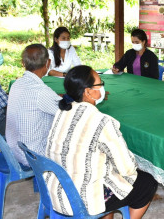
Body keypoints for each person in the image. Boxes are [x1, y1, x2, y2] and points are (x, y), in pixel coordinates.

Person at [45, 65, 158, 218]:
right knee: (147, 183)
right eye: (100, 84)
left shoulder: (62, 111)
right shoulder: (101, 121)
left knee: (106, 170)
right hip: (80, 201)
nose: (103, 87)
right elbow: (127, 168)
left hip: (55, 192)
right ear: (88, 91)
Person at [6, 44, 61, 165]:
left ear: (23, 63)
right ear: (48, 62)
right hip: (33, 155)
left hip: (14, 149)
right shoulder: (41, 92)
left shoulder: (17, 84)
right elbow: (66, 112)